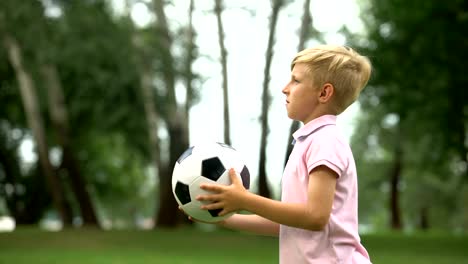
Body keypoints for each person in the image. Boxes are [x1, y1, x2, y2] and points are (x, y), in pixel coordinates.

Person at [194, 45, 372, 264]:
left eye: (296, 81)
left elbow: (315, 217)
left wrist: (245, 200)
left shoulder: (326, 141)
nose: (285, 88)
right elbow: (292, 223)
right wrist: (226, 220)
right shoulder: (309, 141)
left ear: (324, 93)